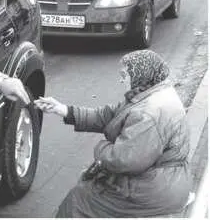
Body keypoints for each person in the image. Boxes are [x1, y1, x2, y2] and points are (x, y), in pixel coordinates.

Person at [34, 50, 191, 217]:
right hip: (162, 180)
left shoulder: (148, 113)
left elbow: (124, 160)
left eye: (125, 74)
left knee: (78, 201)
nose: (121, 79)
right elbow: (108, 115)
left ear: (140, 74)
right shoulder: (151, 92)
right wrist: (64, 110)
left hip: (154, 189)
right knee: (88, 189)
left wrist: (101, 148)